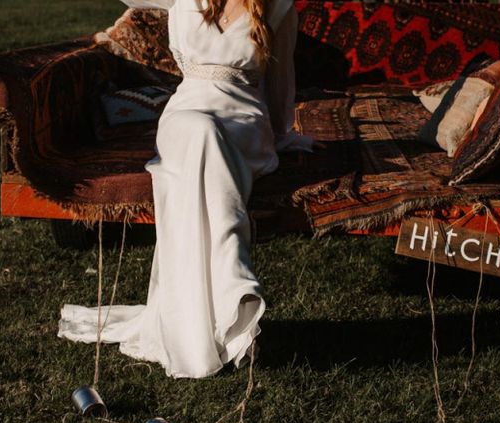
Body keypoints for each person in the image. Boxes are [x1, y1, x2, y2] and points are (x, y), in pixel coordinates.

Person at [59, 0, 312, 378]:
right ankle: (232, 285)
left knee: (206, 136)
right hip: (185, 114)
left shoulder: (279, 9)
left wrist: (282, 138)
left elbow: (281, 85)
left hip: (243, 124)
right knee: (198, 130)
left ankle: (231, 289)